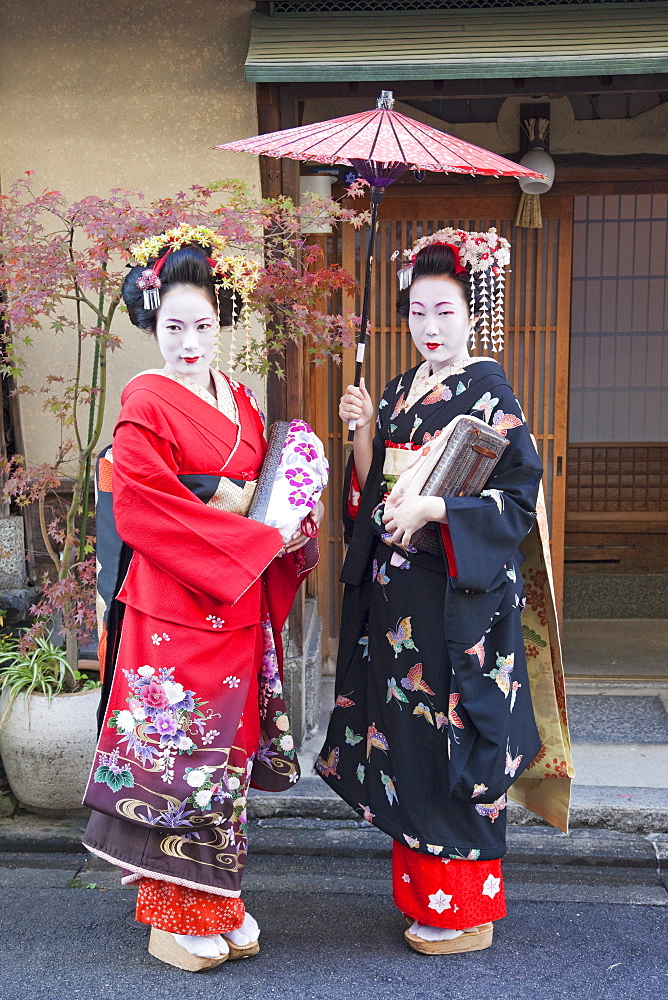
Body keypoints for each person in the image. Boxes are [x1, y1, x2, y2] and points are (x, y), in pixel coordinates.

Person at [317, 229, 572, 955]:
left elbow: (519, 500)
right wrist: (366, 436)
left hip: (458, 606)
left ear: (472, 316)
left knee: (459, 745)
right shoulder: (399, 389)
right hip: (401, 605)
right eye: (418, 312)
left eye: (445, 312)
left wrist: (437, 511)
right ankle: (422, 895)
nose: (430, 328)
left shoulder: (490, 392)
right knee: (409, 743)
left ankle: (464, 909)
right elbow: (373, 496)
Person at [83, 226, 325, 972]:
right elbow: (143, 506)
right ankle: (173, 913)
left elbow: (267, 494)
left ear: (224, 326)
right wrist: (247, 534)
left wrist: (291, 522)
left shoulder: (244, 404)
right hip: (172, 607)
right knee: (175, 758)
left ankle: (217, 901)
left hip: (237, 601)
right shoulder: (144, 399)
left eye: (203, 327)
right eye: (173, 327)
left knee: (224, 759)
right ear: (153, 325)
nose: (188, 343)